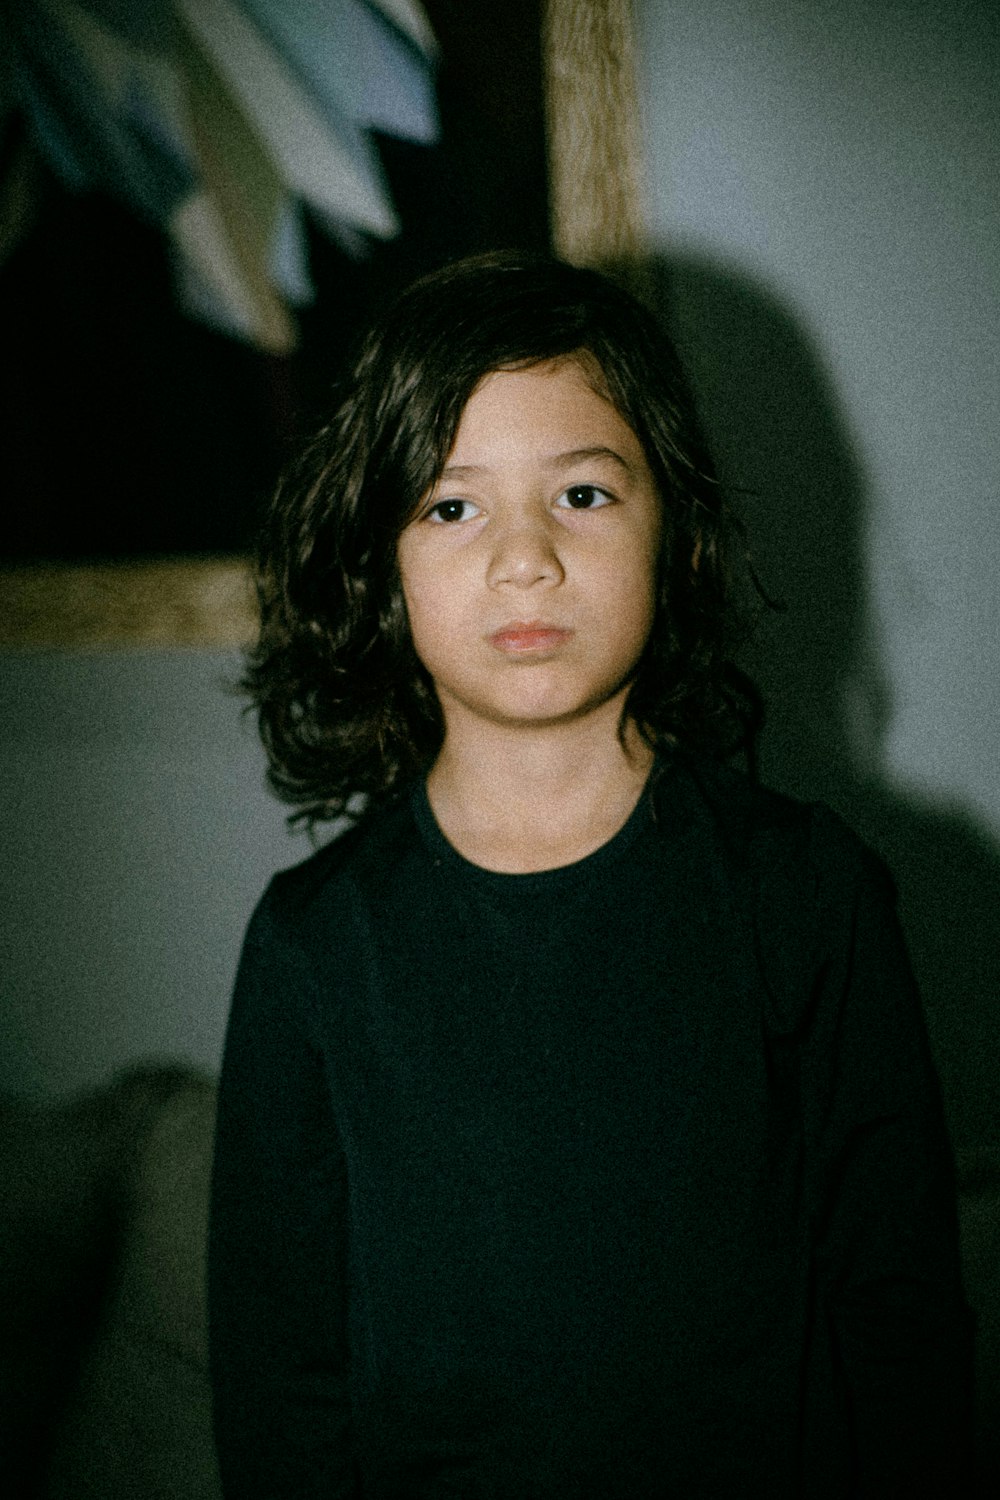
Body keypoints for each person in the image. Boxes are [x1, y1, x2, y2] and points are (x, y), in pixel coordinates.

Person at [208, 251, 972, 1498]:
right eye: (451, 506)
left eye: (580, 494)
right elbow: (279, 1382)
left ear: (672, 527)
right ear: (379, 568)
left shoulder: (809, 897)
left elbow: (901, 1329)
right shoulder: (313, 945)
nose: (525, 558)